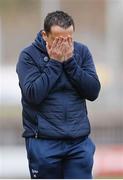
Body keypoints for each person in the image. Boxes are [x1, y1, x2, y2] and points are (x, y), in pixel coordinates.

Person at [16, 10, 101, 179]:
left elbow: (93, 91)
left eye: (68, 39)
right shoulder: (28, 56)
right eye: (58, 40)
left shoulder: (81, 52)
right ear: (45, 35)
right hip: (43, 143)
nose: (64, 44)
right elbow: (33, 94)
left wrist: (70, 62)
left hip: (78, 143)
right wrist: (55, 62)